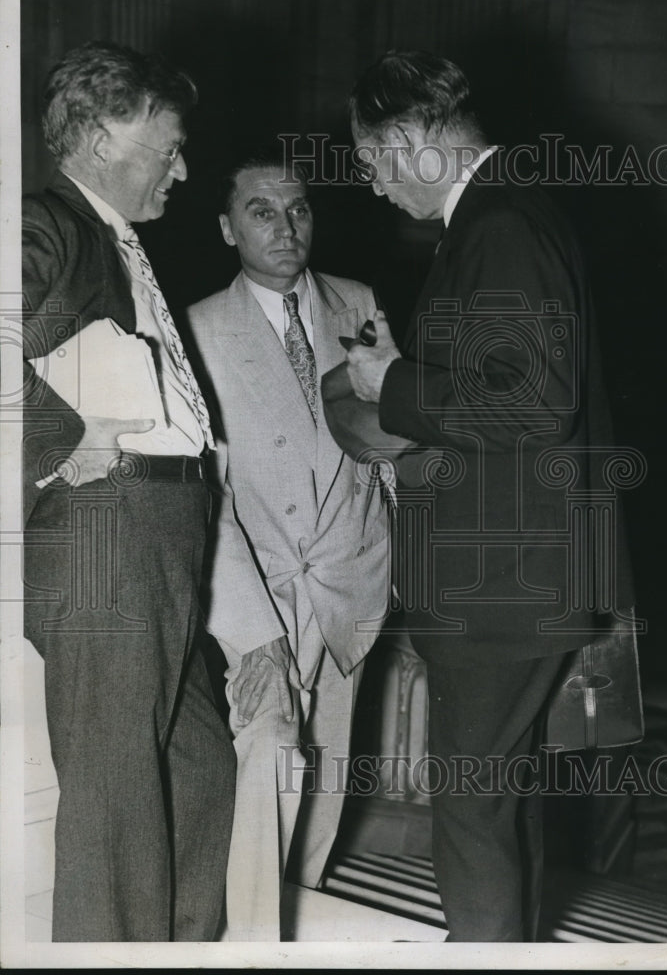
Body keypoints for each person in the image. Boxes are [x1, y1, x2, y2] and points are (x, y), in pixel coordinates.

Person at [347, 50, 633, 941]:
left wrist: (391, 382)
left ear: (405, 140)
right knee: (501, 803)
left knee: (471, 815)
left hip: (499, 587)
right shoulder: (510, 209)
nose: (374, 188)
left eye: (369, 164)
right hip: (522, 579)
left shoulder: (498, 220)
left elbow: (533, 401)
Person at [22, 40, 237, 942]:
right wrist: (71, 438)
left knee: (200, 771)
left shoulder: (113, 237)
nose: (183, 169)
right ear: (107, 135)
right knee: (115, 807)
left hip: (165, 535)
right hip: (110, 533)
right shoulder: (48, 222)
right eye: (169, 146)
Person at [185, 148, 390, 941]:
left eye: (298, 209)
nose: (285, 227)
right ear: (228, 228)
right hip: (260, 593)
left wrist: (389, 558)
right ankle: (249, 939)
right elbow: (211, 486)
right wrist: (240, 613)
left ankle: (304, 925)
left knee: (329, 774)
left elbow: (386, 443)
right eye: (262, 213)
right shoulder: (199, 329)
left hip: (350, 582)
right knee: (266, 758)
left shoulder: (358, 302)